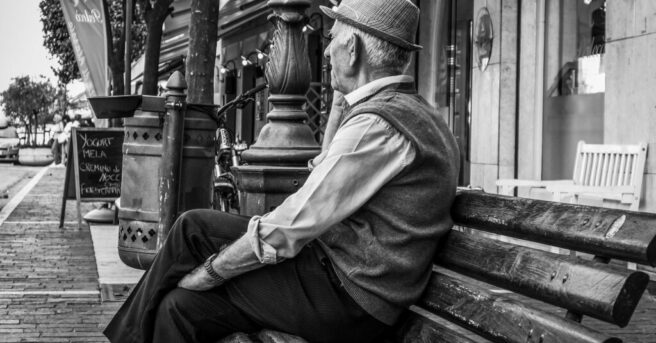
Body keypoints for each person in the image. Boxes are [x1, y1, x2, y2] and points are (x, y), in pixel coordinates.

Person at [104, 0, 460, 342]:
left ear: (352, 49)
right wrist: (342, 100)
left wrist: (213, 271)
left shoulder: (376, 126)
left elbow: (293, 223)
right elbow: (324, 169)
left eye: (333, 37)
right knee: (178, 307)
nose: (324, 50)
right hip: (351, 284)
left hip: (346, 297)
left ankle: (126, 337)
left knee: (192, 230)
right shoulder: (413, 115)